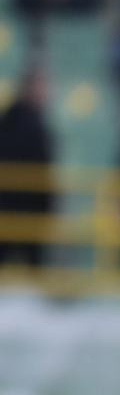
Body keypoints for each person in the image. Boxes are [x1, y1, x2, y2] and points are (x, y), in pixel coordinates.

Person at [0, 69, 54, 268]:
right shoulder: (17, 121)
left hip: (26, 206)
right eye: (42, 86)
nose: (46, 92)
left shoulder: (24, 119)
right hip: (17, 204)